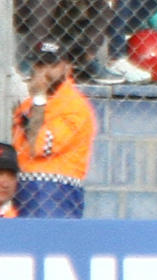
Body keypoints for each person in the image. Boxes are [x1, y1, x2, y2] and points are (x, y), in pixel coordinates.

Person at [12, 38, 95, 217]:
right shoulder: (27, 104)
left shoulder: (75, 105)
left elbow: (39, 145)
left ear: (67, 67)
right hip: (22, 189)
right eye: (40, 65)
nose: (45, 71)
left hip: (55, 191)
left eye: (52, 65)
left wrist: (39, 97)